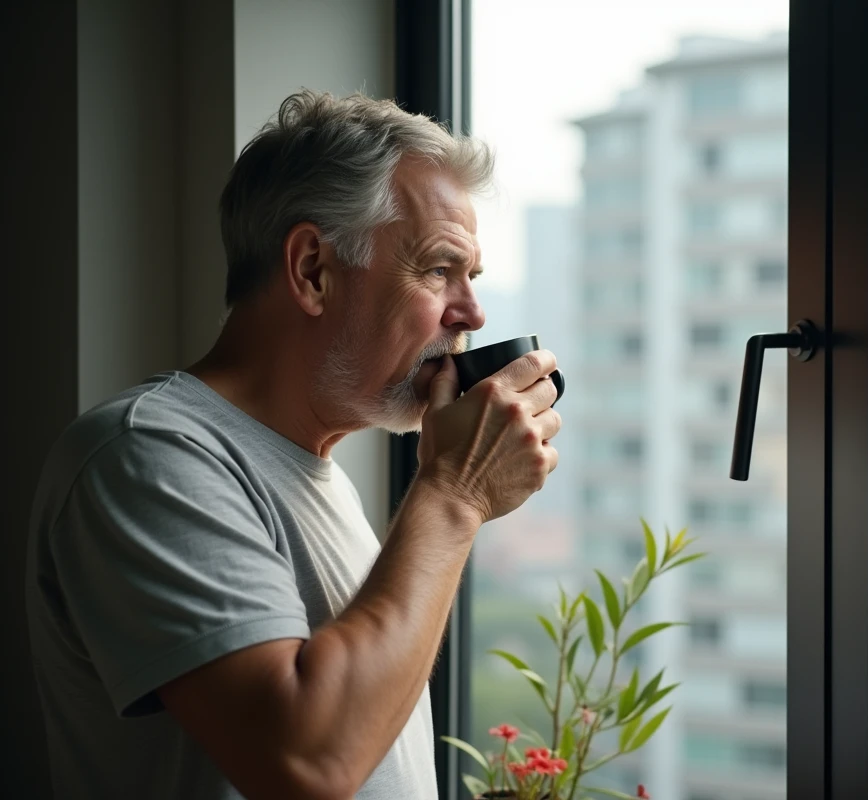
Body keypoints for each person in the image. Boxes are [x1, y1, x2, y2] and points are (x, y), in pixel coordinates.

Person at [25, 90, 562, 799]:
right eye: (439, 269)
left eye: (472, 278)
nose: (472, 312)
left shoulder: (317, 476)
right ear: (312, 269)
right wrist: (455, 496)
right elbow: (307, 765)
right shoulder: (147, 456)